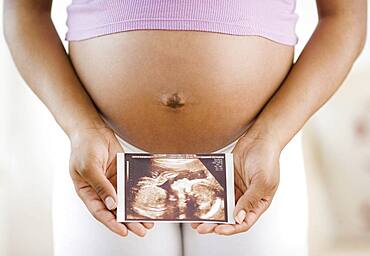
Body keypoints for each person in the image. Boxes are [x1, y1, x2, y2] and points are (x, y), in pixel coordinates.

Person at [3, 0, 366, 255]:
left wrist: (270, 136)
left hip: (252, 158)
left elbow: (345, 17)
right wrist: (81, 128)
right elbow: (24, 12)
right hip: (105, 156)